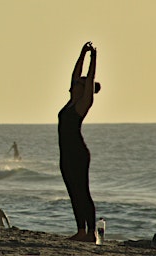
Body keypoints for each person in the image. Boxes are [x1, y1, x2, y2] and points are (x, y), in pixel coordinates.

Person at [58, 41, 100, 242]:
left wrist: (94, 59)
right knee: (73, 192)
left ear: (84, 89)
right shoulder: (70, 101)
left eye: (80, 83)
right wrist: (82, 54)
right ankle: (81, 231)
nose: (76, 82)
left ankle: (91, 232)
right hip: (65, 153)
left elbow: (89, 79)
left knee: (83, 191)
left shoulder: (83, 104)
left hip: (78, 153)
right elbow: (74, 75)